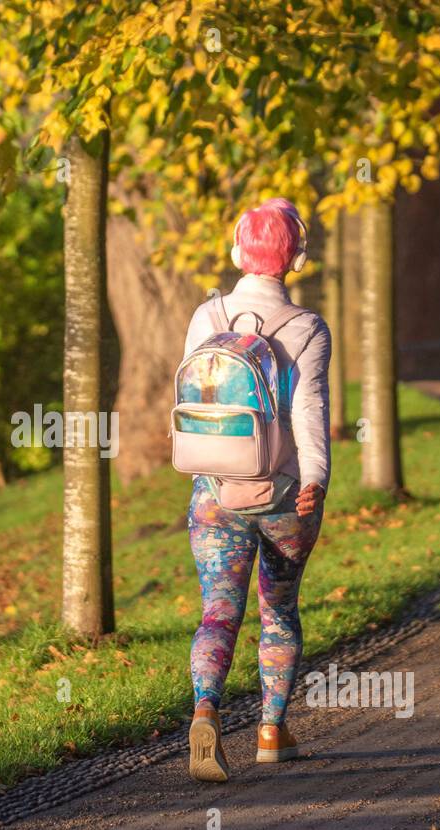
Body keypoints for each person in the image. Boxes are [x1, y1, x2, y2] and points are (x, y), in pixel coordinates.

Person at [183, 198, 332, 783]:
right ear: (296, 258)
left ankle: (205, 710)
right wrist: (316, 480)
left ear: (236, 252)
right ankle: (271, 730)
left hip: (216, 490)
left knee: (218, 611)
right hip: (285, 493)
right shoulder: (306, 328)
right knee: (280, 610)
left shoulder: (207, 315)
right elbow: (309, 409)